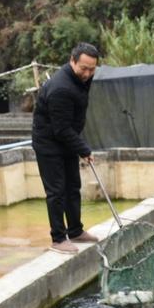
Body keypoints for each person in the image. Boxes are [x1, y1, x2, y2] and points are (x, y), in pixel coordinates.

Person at [32, 42, 100, 254]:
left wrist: (77, 146)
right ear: (72, 60)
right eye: (84, 68)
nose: (88, 73)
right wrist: (84, 148)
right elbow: (60, 129)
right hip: (49, 143)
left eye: (92, 69)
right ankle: (59, 239)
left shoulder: (82, 79)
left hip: (66, 140)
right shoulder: (61, 88)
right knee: (56, 191)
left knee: (73, 187)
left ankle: (75, 230)